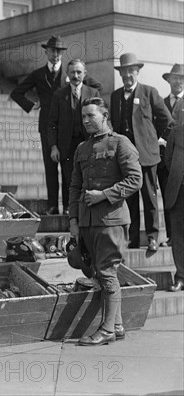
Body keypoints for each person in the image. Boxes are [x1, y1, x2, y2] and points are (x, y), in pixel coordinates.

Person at [69, 98, 142, 346]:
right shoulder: (81, 149)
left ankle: (107, 329)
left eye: (91, 115)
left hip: (111, 221)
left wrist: (104, 195)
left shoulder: (121, 143)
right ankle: (118, 325)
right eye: (84, 117)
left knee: (108, 274)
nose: (87, 120)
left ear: (104, 115)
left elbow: (135, 179)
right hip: (87, 223)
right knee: (100, 274)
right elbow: (75, 187)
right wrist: (73, 220)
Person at [11, 35, 102, 215]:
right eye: (52, 51)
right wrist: (32, 104)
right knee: (50, 167)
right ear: (46, 52)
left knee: (69, 167)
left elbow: (95, 86)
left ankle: (68, 205)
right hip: (49, 125)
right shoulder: (38, 74)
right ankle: (52, 205)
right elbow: (17, 92)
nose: (56, 55)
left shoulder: (71, 74)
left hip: (71, 125)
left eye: (59, 52)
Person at [109, 53, 175, 253]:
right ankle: (133, 238)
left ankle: (153, 237)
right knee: (129, 199)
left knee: (149, 197)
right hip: (126, 158)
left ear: (137, 72)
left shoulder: (149, 92)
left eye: (131, 70)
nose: (128, 75)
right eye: (124, 71)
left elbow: (168, 122)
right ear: (120, 74)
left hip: (147, 156)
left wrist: (155, 141)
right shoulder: (116, 96)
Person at [48, 59, 101, 216]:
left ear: (84, 74)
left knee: (88, 176)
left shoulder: (93, 93)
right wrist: (53, 146)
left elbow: (101, 119)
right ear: (67, 73)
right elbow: (51, 123)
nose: (75, 76)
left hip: (88, 142)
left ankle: (88, 209)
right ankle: (68, 209)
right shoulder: (59, 95)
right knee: (69, 179)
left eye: (79, 72)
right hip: (66, 145)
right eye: (72, 72)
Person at [157, 64, 184, 248]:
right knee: (170, 198)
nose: (178, 82)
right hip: (165, 160)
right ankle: (170, 236)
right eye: (175, 78)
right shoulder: (162, 102)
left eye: (182, 78)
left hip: (181, 161)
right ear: (169, 80)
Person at [164, 124, 184, 292]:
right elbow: (168, 159)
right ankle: (181, 277)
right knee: (178, 236)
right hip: (179, 192)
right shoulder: (176, 132)